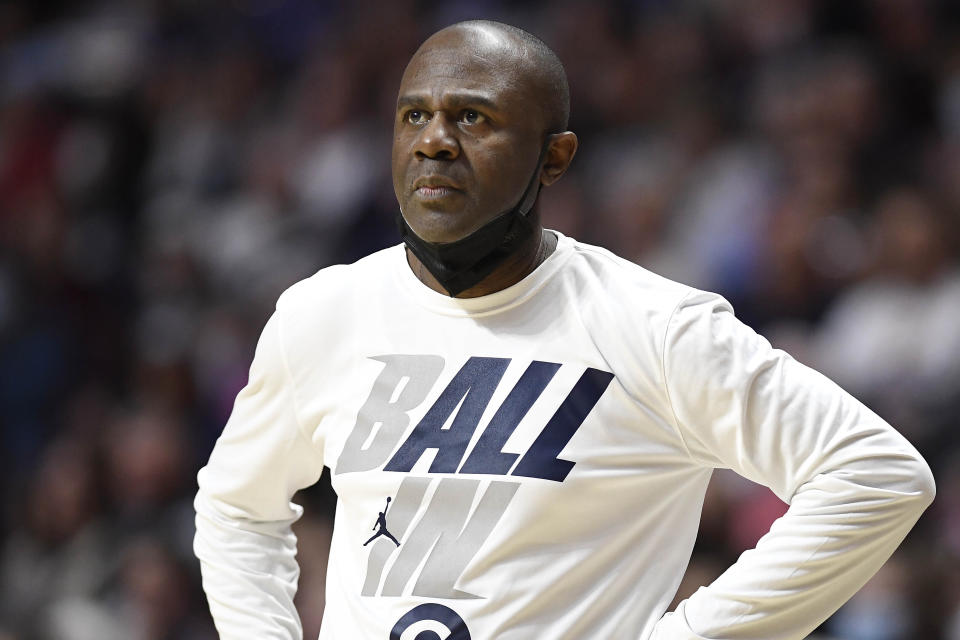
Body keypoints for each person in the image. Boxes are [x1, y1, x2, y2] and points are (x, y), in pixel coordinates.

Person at [193, 20, 935, 640]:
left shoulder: (653, 326)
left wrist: (690, 634)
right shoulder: (325, 313)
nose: (434, 142)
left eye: (473, 117)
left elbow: (876, 476)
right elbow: (235, 507)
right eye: (414, 115)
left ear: (555, 159)